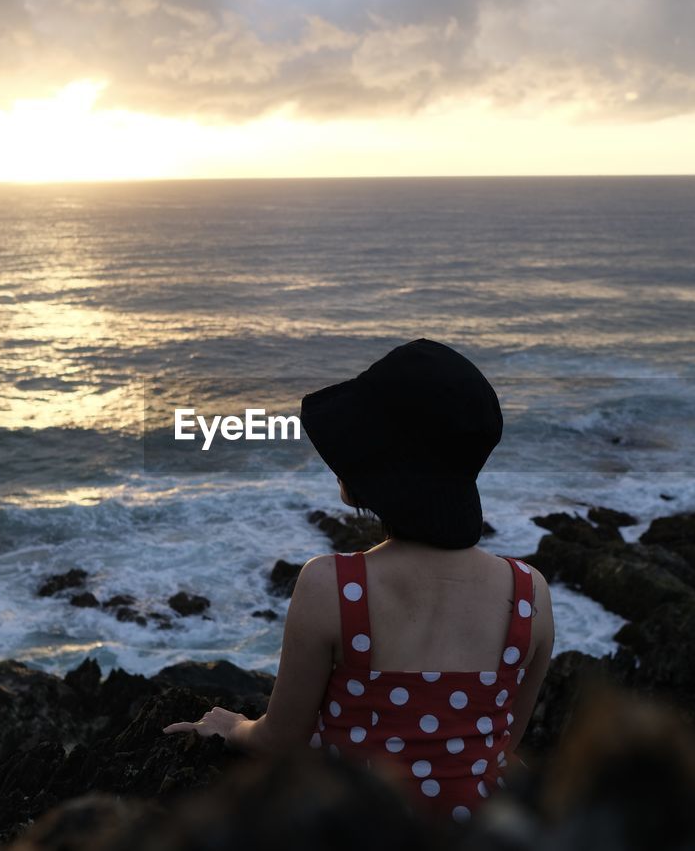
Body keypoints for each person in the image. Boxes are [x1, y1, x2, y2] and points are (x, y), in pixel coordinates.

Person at [163, 338, 556, 825]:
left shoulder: (332, 585)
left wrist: (233, 726)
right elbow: (501, 742)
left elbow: (278, 741)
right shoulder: (529, 593)